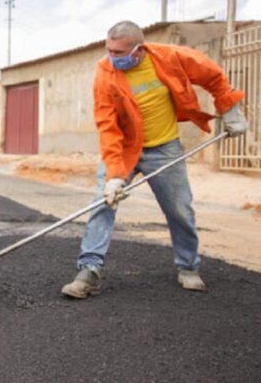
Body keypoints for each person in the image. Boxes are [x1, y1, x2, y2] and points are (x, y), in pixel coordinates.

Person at [61, 20, 248, 299]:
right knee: (103, 203)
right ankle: (90, 270)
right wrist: (114, 176)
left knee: (180, 210)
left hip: (164, 148)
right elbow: (107, 125)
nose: (113, 57)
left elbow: (213, 76)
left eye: (119, 53)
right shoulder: (105, 72)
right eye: (109, 50)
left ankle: (187, 266)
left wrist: (230, 108)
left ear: (139, 49)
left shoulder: (171, 57)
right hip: (124, 150)